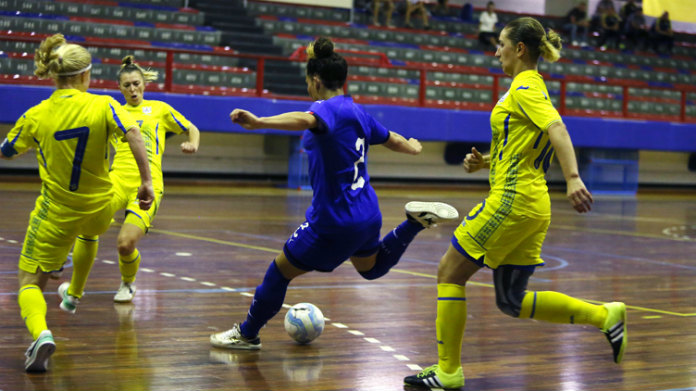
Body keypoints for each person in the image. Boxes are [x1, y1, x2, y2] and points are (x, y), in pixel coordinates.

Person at [403, 17, 627, 389]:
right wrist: (486, 161)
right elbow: (525, 144)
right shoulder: (525, 89)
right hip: (532, 206)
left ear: (520, 49)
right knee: (511, 299)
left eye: (501, 45)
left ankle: (447, 372)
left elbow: (557, 129)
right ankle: (605, 315)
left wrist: (572, 178)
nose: (496, 52)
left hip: (512, 200)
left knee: (448, 273)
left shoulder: (525, 87)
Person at [209, 37, 459, 350]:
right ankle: (412, 223)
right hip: (367, 212)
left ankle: (246, 334)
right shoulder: (357, 111)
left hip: (333, 221)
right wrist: (412, 147)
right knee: (370, 268)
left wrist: (260, 121)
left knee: (278, 272)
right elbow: (390, 138)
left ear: (315, 81)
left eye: (307, 82)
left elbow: (306, 119)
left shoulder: (325, 110)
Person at [0, 33, 154, 372]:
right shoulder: (103, 105)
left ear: (54, 75)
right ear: (86, 76)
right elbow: (133, 133)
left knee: (29, 283)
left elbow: (7, 151)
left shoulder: (37, 114)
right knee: (101, 210)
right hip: (100, 209)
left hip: (57, 214)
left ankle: (41, 334)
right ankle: (71, 285)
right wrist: (145, 181)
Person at [69, 56, 200, 304]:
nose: (133, 89)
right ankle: (73, 286)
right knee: (85, 223)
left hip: (149, 184)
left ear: (144, 84)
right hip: (115, 181)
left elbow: (192, 128)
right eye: (127, 85)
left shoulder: (159, 109)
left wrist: (192, 144)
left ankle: (128, 283)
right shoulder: (114, 112)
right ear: (119, 88)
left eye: (136, 83)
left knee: (125, 244)